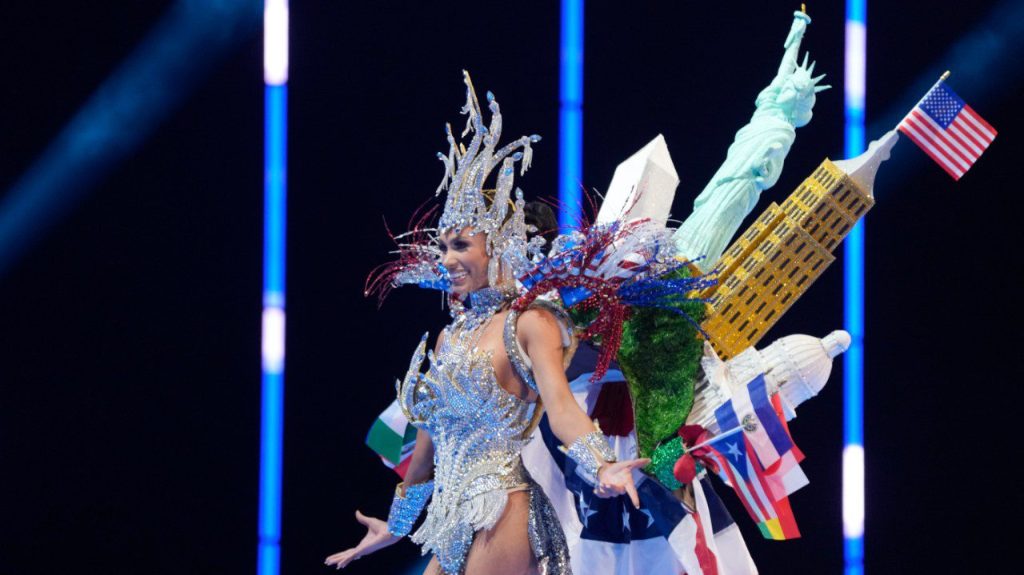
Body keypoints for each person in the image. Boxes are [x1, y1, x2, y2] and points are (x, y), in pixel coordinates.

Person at [325, 72, 649, 575]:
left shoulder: (530, 323)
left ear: (497, 247)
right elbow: (428, 447)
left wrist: (602, 464)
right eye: (443, 247)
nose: (447, 260)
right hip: (450, 517)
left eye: (460, 246)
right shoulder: (450, 337)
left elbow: (561, 407)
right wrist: (396, 524)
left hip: (504, 506)